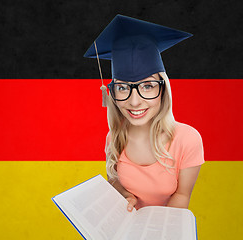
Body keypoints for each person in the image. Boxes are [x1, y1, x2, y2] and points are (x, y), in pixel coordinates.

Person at [84, 15, 204, 211]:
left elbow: (182, 195)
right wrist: (124, 195)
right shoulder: (114, 137)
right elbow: (114, 180)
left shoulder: (188, 139)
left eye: (147, 86)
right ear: (112, 93)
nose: (134, 101)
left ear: (163, 89)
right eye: (122, 88)